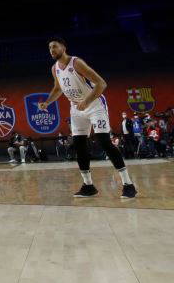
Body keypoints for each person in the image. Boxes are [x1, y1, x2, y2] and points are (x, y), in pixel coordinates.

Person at [37, 37, 136, 199]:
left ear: (63, 47)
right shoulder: (55, 68)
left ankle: (128, 184)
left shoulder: (76, 63)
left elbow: (101, 83)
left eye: (54, 47)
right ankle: (88, 186)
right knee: (79, 145)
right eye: (49, 48)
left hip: (94, 105)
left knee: (104, 142)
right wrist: (47, 102)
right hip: (76, 108)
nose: (52, 51)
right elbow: (57, 88)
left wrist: (87, 101)